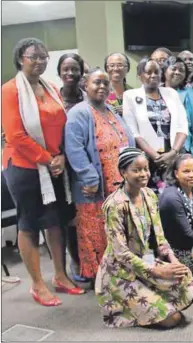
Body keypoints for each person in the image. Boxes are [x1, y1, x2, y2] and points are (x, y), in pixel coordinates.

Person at [2, 37, 82, 306]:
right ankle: (37, 284)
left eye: (43, 57)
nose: (39, 61)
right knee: (29, 225)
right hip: (25, 167)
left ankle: (60, 276)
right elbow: (15, 136)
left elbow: (61, 125)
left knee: (55, 220)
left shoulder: (51, 89)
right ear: (20, 58)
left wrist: (59, 156)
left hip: (54, 165)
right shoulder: (10, 90)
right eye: (32, 56)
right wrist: (48, 158)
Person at [95, 148, 193, 328]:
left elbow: (160, 238)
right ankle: (127, 306)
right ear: (123, 172)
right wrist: (157, 271)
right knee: (173, 319)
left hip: (146, 259)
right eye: (136, 170)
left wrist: (173, 261)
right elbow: (121, 253)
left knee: (185, 280)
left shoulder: (149, 195)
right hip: (122, 272)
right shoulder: (115, 205)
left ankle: (153, 301)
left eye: (145, 169)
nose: (144, 174)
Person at [65, 68, 135, 280]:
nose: (102, 87)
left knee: (115, 230)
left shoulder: (111, 110)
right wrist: (89, 178)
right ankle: (99, 275)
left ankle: (117, 272)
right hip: (94, 188)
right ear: (85, 85)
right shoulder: (79, 113)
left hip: (117, 186)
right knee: (95, 232)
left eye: (106, 83)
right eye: (97, 82)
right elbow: (74, 148)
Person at [123, 57, 189, 194]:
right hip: (147, 160)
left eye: (157, 72)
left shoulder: (171, 93)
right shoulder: (130, 96)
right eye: (148, 72)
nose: (153, 75)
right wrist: (155, 156)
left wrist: (173, 152)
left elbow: (182, 126)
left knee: (176, 197)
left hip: (173, 157)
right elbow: (133, 132)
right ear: (140, 75)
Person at [56, 52, 85, 282]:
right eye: (65, 69)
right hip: (60, 168)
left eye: (74, 69)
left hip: (86, 165)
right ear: (59, 71)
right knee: (69, 218)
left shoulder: (88, 98)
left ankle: (91, 260)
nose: (70, 73)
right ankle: (75, 261)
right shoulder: (53, 100)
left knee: (88, 216)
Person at [162, 56, 193, 164]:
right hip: (159, 151)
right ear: (164, 71)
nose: (177, 72)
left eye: (181, 70)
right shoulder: (155, 92)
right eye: (174, 68)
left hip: (184, 151)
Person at [104, 52, 132, 117]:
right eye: (112, 65)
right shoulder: (102, 92)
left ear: (127, 68)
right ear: (106, 69)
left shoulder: (133, 92)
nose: (116, 69)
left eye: (120, 65)